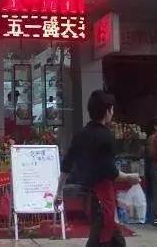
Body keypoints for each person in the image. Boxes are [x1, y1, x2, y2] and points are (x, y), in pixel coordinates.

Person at [56, 91, 140, 247]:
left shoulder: (81, 134)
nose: (112, 113)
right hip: (102, 198)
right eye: (112, 109)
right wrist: (130, 177)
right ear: (107, 111)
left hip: (87, 195)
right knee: (102, 238)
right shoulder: (106, 137)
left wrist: (59, 192)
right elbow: (111, 173)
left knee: (114, 239)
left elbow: (66, 164)